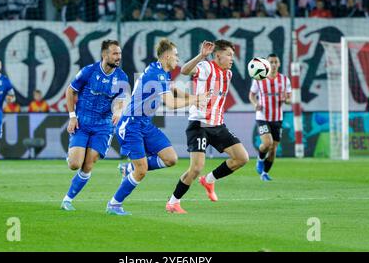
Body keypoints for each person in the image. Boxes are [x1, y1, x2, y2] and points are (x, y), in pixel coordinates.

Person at [106, 38, 207, 216]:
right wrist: (195, 100)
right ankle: (114, 204)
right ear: (167, 56)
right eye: (175, 55)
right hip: (132, 124)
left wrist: (192, 97)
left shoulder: (161, 71)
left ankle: (128, 169)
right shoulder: (156, 74)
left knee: (170, 159)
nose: (177, 59)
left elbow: (173, 89)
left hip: (145, 124)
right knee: (142, 170)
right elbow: (170, 103)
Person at [165, 40, 250, 214]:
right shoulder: (205, 67)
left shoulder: (228, 74)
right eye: (229, 55)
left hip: (218, 125)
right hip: (199, 124)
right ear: (218, 55)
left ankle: (209, 180)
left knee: (242, 158)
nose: (232, 59)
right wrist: (201, 55)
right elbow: (184, 70)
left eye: (232, 56)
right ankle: (173, 202)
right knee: (195, 168)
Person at [61, 40, 129, 211]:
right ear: (105, 55)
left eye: (119, 54)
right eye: (115, 53)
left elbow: (121, 100)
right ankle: (72, 155)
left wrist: (118, 111)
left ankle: (67, 200)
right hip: (83, 123)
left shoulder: (121, 77)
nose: (118, 57)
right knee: (75, 164)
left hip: (103, 126)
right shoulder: (89, 71)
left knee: (88, 164)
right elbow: (70, 90)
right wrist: (72, 116)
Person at [249, 54, 291, 181]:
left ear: (279, 64)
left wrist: (287, 100)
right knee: (267, 143)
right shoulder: (259, 78)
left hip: (277, 118)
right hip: (262, 116)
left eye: (275, 62)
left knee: (273, 149)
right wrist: (255, 104)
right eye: (271, 62)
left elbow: (289, 98)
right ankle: (260, 159)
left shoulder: (285, 80)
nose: (273, 64)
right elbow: (251, 95)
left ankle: (265, 173)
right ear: (266, 64)